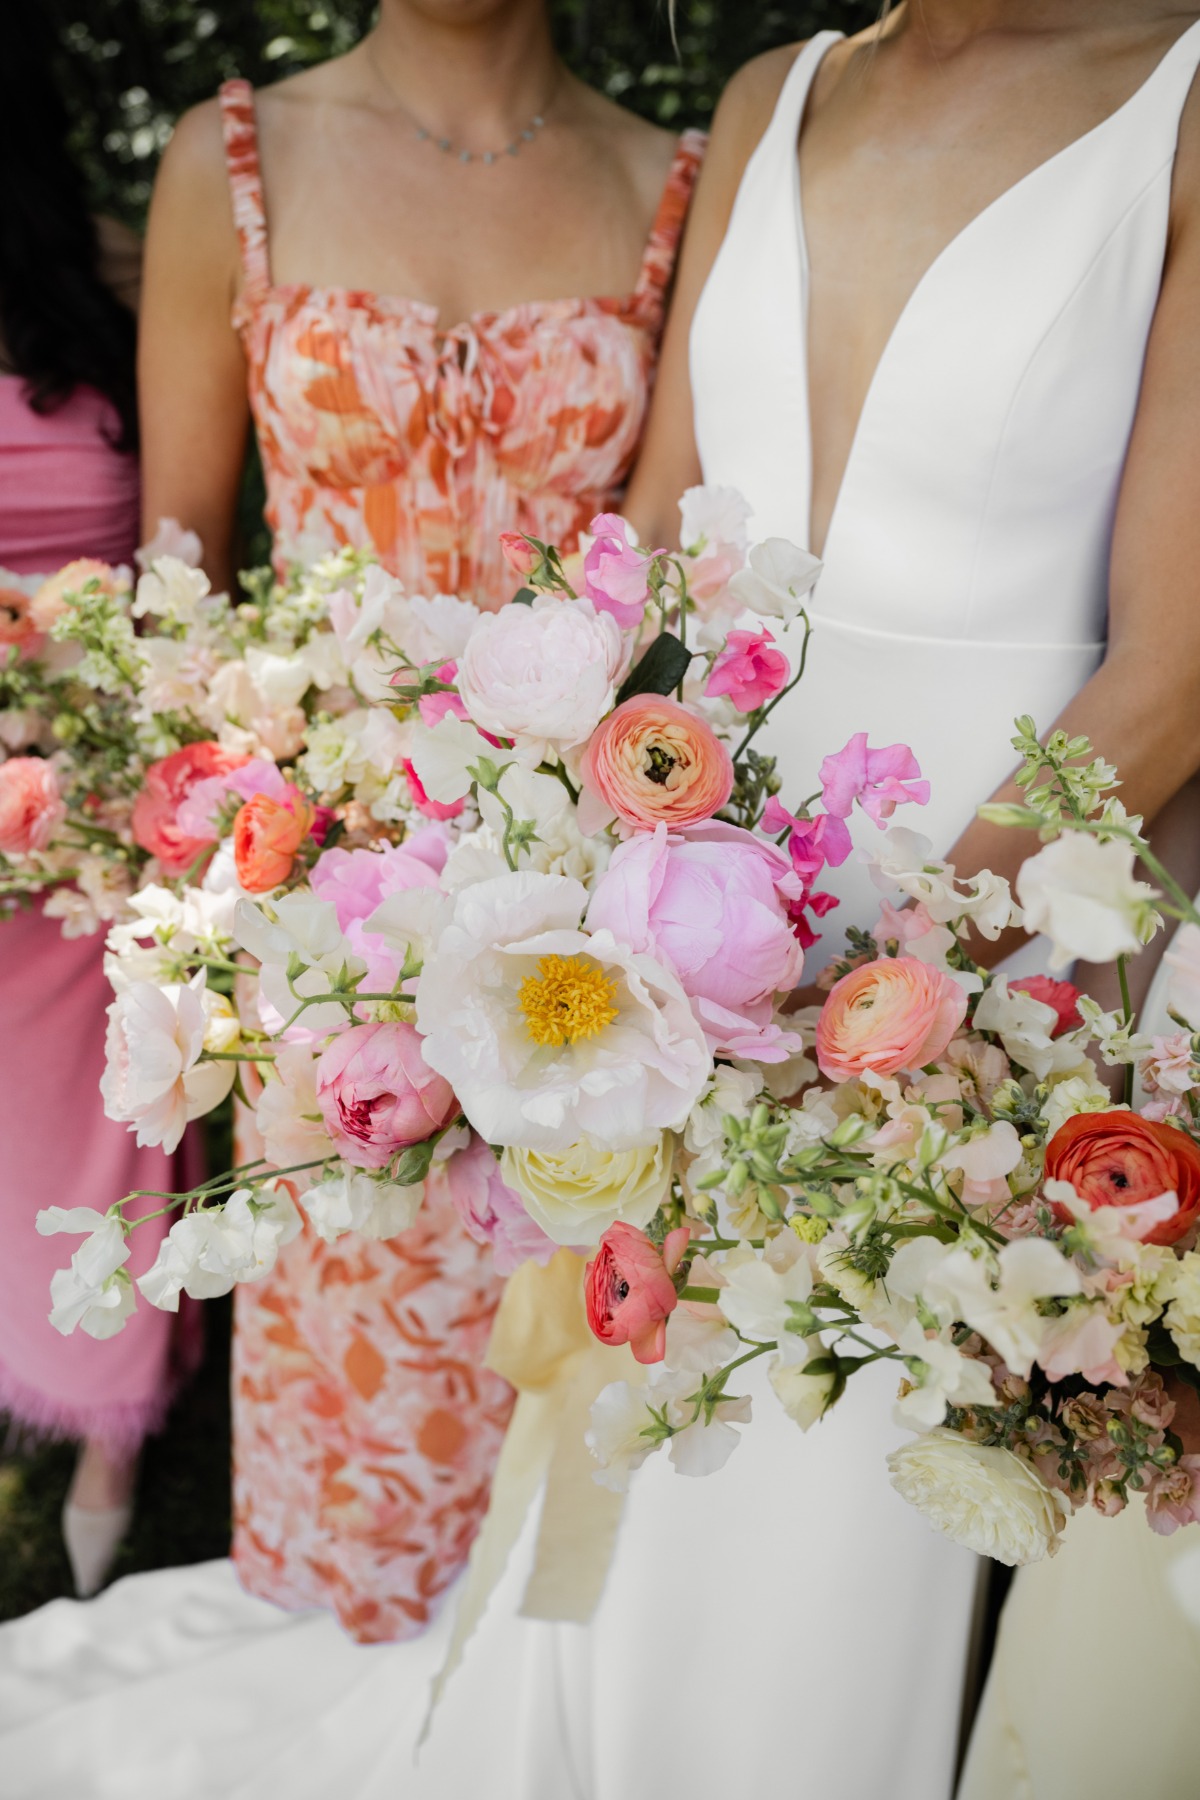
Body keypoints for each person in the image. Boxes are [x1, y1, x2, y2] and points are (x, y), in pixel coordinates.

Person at [608, 4, 1200, 1797]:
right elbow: (656, 552)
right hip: (692, 908)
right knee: (666, 1435)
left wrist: (887, 992)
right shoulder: (769, 91)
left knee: (853, 1499)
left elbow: (1175, 663)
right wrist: (590, 879)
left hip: (1002, 933)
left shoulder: (1182, 99)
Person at [135, 0, 702, 1646]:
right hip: (323, 906)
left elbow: (672, 584)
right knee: (358, 1370)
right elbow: (185, 586)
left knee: (566, 1328)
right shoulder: (230, 158)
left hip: (587, 901)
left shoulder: (679, 179)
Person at [0, 0, 195, 1599]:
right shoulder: (112, 275)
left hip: (105, 804)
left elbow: (195, 547)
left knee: (108, 1135)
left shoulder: (135, 271)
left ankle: (106, 1459)